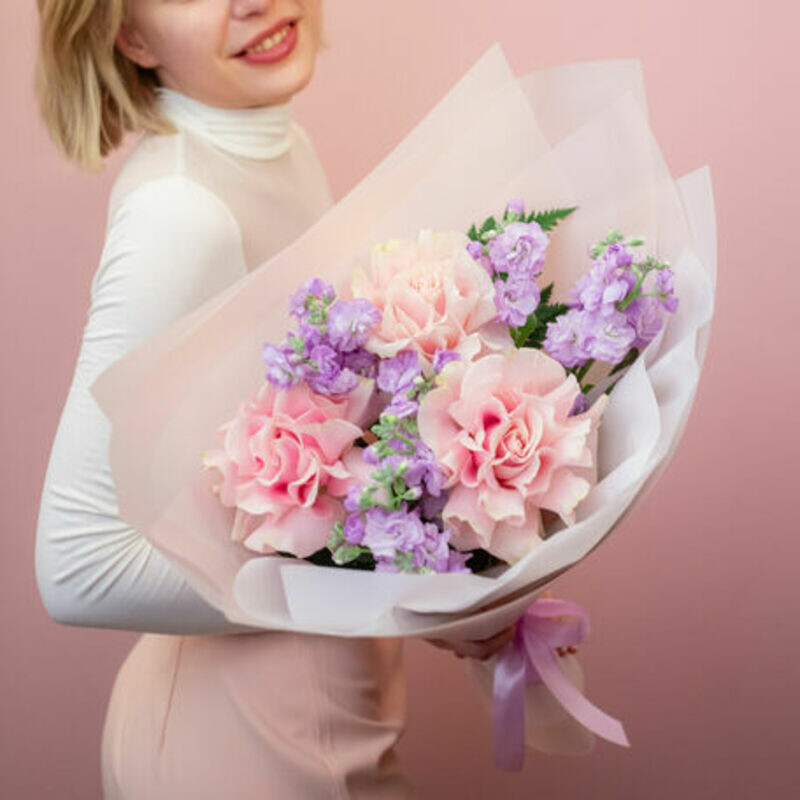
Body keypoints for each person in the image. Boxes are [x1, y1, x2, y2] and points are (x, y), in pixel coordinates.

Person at [33, 1, 517, 797]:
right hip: (241, 748)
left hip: (326, 712)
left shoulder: (280, 145)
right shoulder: (179, 213)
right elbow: (77, 566)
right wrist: (400, 576)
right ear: (131, 36)